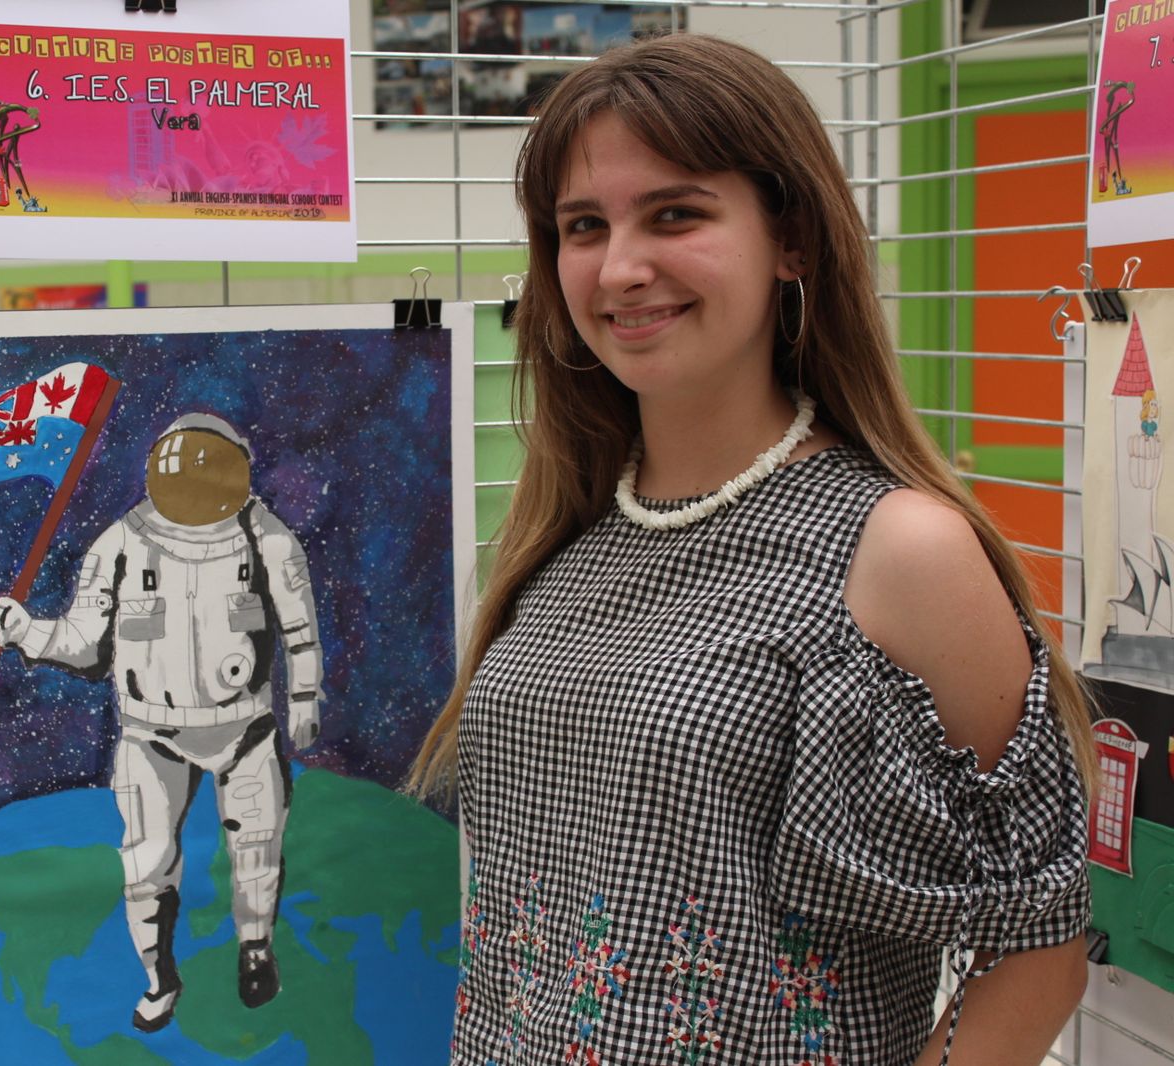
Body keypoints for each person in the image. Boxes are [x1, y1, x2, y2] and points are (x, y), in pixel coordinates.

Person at [408, 34, 1093, 1066]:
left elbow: (1042, 938)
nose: (621, 266)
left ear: (794, 240)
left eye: (675, 213)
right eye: (582, 227)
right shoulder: (560, 546)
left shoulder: (895, 549)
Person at [0, 412, 323, 1033]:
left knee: (257, 842)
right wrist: (26, 631)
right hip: (151, 732)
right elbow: (86, 642)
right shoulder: (120, 543)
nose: (194, 474)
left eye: (208, 462)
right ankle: (158, 978)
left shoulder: (265, 537)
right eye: (183, 461)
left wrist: (305, 695)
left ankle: (255, 948)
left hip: (244, 726)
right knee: (146, 860)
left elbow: (299, 626)